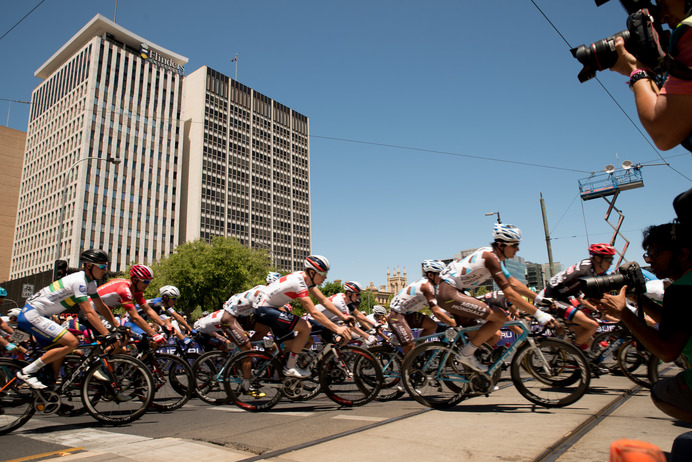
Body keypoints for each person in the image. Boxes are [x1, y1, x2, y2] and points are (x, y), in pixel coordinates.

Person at [599, 222, 692, 422]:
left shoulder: (681, 290)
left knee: (661, 391)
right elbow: (678, 323)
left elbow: (667, 352)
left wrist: (623, 313)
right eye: (647, 254)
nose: (650, 260)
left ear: (683, 254)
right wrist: (639, 299)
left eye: (655, 253)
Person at [437, 224, 555, 372]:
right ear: (501, 245)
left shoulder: (492, 256)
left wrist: (538, 299)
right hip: (450, 293)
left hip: (454, 292)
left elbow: (512, 282)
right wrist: (539, 314)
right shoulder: (490, 258)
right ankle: (465, 355)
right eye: (515, 245)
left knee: (478, 337)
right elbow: (510, 293)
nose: (517, 249)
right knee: (499, 317)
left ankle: (471, 375)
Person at [15, 249, 113, 389]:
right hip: (33, 315)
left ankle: (51, 389)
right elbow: (89, 312)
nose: (105, 270)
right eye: (102, 266)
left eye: (106, 266)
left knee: (61, 349)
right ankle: (26, 372)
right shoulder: (79, 281)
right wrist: (107, 334)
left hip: (40, 316)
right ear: (89, 266)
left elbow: (101, 307)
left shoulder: (90, 283)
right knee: (72, 342)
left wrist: (116, 326)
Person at [611, 0, 692, 151]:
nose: (663, 17)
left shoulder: (689, 33)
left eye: (662, 2)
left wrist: (635, 71)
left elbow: (663, 133)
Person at [253, 255, 350, 378]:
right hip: (264, 309)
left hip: (266, 308)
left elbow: (324, 301)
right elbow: (314, 312)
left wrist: (344, 317)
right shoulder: (299, 283)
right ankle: (290, 368)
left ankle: (281, 374)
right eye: (322, 273)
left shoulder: (304, 279)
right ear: (311, 272)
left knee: (291, 347)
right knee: (306, 327)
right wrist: (337, 329)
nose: (325, 277)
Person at [535, 244, 613, 352]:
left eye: (612, 259)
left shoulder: (590, 267)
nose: (611, 263)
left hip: (561, 296)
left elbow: (585, 297)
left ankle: (579, 356)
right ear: (597, 258)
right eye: (608, 259)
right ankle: (575, 354)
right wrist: (548, 302)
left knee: (583, 330)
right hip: (552, 297)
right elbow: (553, 283)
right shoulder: (586, 272)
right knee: (593, 325)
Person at [387, 260, 456, 355]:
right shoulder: (426, 286)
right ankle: (408, 363)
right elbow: (437, 313)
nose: (444, 279)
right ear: (431, 275)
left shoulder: (434, 286)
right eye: (441, 275)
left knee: (432, 326)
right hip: (396, 316)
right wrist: (453, 323)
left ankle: (418, 350)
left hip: (408, 314)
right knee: (410, 352)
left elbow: (445, 302)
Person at [92, 264, 168, 345]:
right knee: (117, 340)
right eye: (145, 281)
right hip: (90, 313)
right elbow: (135, 317)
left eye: (149, 281)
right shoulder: (125, 290)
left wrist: (164, 325)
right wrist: (154, 334)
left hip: (101, 313)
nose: (148, 285)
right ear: (135, 280)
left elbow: (148, 309)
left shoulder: (136, 290)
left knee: (124, 339)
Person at [309, 280, 376, 345]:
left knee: (341, 337)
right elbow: (352, 325)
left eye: (359, 294)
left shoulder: (343, 297)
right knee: (345, 332)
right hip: (315, 320)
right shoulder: (340, 304)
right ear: (349, 293)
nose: (358, 297)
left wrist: (374, 324)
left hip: (324, 320)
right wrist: (367, 336)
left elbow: (358, 314)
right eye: (356, 295)